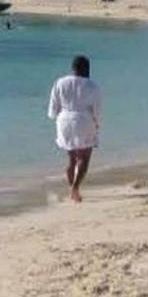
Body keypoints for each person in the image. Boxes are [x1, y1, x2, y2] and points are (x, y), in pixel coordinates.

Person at [47, 55, 101, 203]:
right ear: (87, 69)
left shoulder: (60, 82)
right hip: (84, 120)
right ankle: (75, 188)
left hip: (64, 120)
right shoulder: (92, 85)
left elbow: (53, 109)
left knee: (71, 159)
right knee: (84, 157)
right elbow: (97, 109)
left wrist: (58, 118)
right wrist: (97, 122)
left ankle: (73, 189)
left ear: (73, 69)